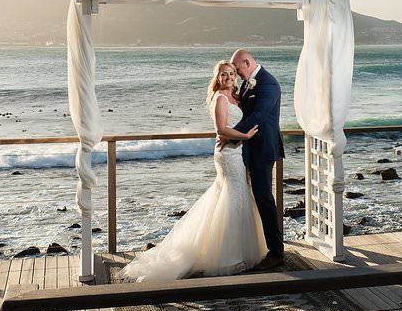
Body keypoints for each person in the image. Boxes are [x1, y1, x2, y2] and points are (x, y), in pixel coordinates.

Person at [120, 60, 267, 282]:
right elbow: (221, 129)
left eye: (230, 74)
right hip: (227, 155)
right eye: (223, 75)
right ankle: (230, 258)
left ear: (235, 76)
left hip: (237, 153)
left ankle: (234, 252)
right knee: (232, 197)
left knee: (233, 198)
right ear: (217, 79)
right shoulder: (219, 98)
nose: (228, 78)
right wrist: (245, 137)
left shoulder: (235, 97)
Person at [225, 48, 285, 270]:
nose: (236, 74)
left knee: (264, 199)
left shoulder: (268, 83)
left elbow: (258, 116)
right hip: (248, 147)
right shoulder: (248, 82)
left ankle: (277, 252)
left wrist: (228, 135)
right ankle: (252, 246)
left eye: (238, 69)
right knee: (251, 198)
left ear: (247, 62)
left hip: (263, 149)